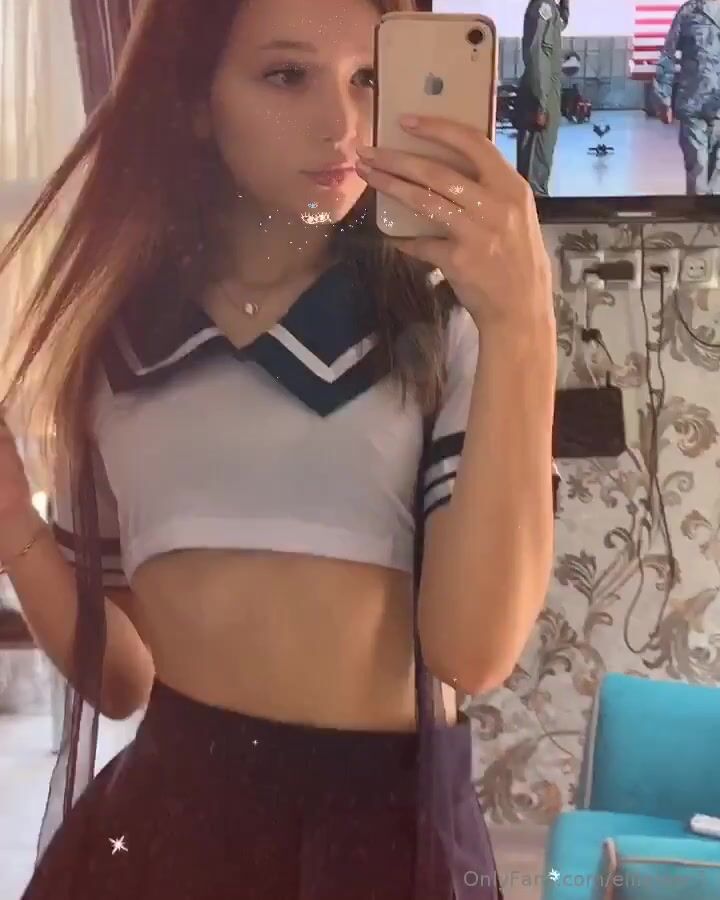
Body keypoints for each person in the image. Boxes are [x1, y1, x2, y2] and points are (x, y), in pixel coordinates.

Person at [0, 0, 557, 898]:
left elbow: (474, 651)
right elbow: (121, 679)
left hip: (381, 834)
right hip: (168, 827)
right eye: (286, 76)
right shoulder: (122, 345)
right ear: (195, 101)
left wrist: (525, 322)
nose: (342, 124)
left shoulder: (442, 325)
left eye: (368, 79)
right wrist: (12, 524)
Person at [654, 0, 720, 194]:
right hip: (693, 103)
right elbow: (668, 55)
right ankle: (698, 212)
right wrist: (663, 98)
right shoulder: (688, 12)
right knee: (697, 170)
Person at [516, 0, 570, 196]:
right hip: (540, 93)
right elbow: (537, 55)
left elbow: (560, 24)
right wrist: (540, 104)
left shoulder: (551, 8)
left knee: (543, 157)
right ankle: (534, 207)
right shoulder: (542, 7)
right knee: (535, 165)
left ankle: (536, 202)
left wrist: (565, 5)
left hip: (549, 93)